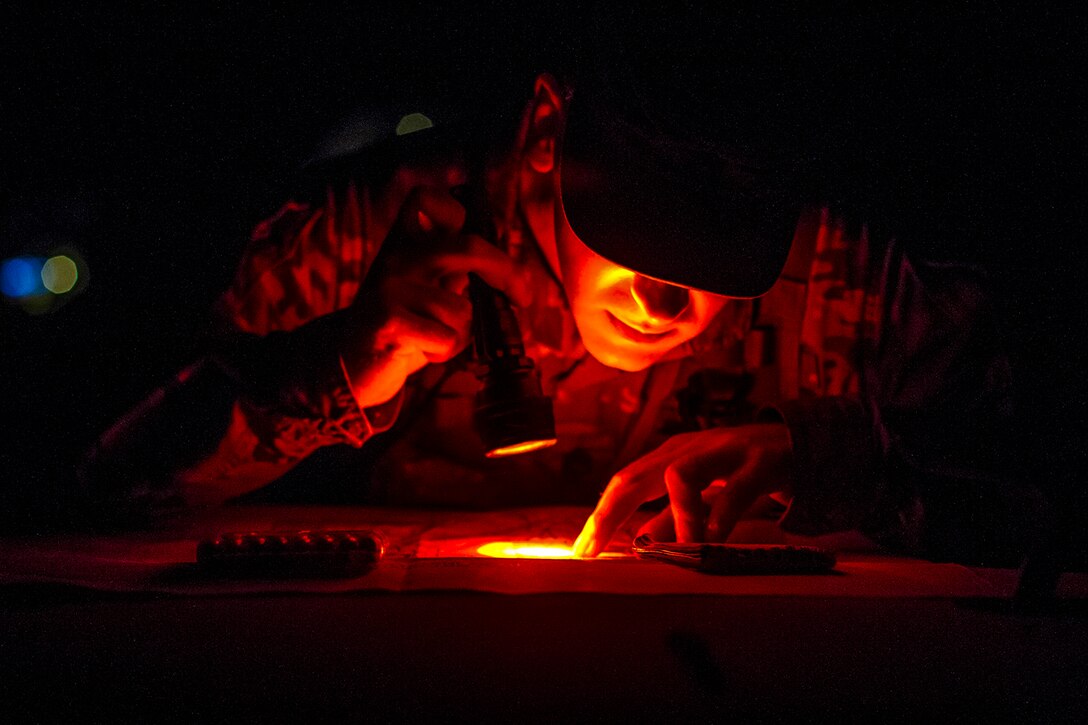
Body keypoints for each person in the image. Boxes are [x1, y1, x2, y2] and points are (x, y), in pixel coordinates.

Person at [80, 20, 1038, 566]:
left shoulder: (853, 271)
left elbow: (1044, 476)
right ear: (547, 130)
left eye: (723, 254)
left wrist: (840, 458)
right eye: (640, 231)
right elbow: (85, 487)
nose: (673, 303)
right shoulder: (372, 230)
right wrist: (334, 367)